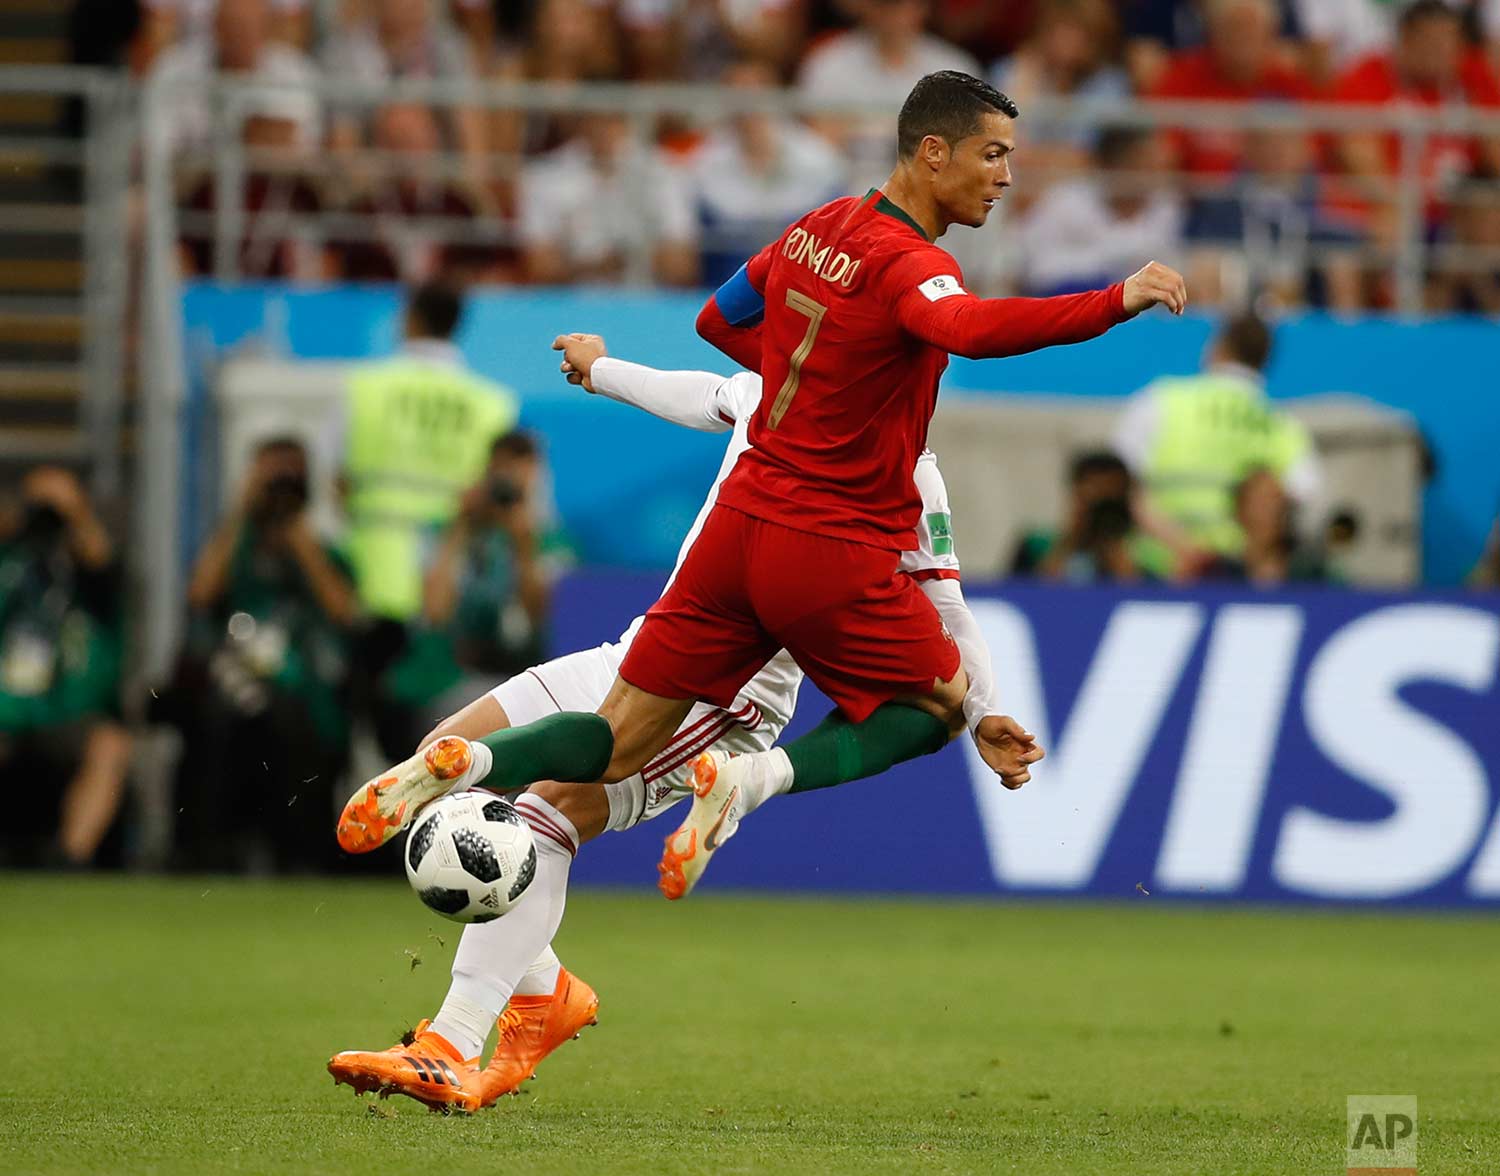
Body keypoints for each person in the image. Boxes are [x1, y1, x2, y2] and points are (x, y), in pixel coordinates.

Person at [333, 72, 1184, 889]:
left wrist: (805, 385)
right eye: (992, 154)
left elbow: (718, 318)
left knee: (616, 738)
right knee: (938, 710)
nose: (1006, 176)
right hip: (826, 544)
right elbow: (966, 328)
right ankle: (749, 783)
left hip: (735, 530)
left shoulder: (818, 226)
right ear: (933, 152)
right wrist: (1117, 298)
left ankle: (472, 762)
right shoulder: (912, 265)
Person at [327, 339, 999, 1112]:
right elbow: (703, 394)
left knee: (547, 813)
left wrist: (985, 711)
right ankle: (544, 993)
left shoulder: (908, 469)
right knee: (442, 750)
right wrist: (601, 371)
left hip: (723, 699)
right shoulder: (774, 391)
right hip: (642, 651)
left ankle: (451, 1040)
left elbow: (945, 603)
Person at [334, 281, 519, 758]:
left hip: (371, 578)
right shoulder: (491, 404)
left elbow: (337, 483)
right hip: (454, 588)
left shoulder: (365, 389)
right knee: (437, 742)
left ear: (410, 318)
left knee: (363, 735)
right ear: (457, 324)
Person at [161, 437, 356, 872]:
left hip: (301, 686)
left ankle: (299, 856)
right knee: (217, 719)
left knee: (298, 724)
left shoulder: (322, 549)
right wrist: (243, 509)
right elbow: (200, 592)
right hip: (233, 681)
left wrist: (298, 535)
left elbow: (343, 610)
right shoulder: (235, 544)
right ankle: (210, 852)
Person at [381, 429, 572, 734]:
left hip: (518, 673)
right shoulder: (450, 531)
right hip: (449, 676)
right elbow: (434, 613)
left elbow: (543, 618)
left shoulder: (551, 542)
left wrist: (522, 543)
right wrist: (460, 526)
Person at [1112, 310, 1322, 563]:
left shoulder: (1162, 400)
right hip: (1240, 576)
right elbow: (1304, 497)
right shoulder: (1283, 426)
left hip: (1156, 572)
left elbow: (1115, 484)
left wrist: (1183, 549)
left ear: (1217, 347)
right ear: (1265, 359)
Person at [0, 468, 129, 868]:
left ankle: (70, 858)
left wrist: (73, 512)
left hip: (69, 710)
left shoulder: (86, 568)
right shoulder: (11, 562)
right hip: (8, 705)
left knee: (111, 744)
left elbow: (102, 562)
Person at [690, 59, 848, 287]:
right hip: (729, 277)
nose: (748, 105)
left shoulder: (818, 158)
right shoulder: (705, 161)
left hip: (804, 282)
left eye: (755, 92)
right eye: (738, 94)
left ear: (775, 95)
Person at [798, 0, 980, 187]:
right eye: (884, 4)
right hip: (847, 188)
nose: (894, 15)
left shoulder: (956, 67)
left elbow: (963, 146)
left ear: (922, 7)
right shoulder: (828, 64)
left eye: (902, 4)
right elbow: (819, 145)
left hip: (928, 190)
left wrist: (862, 130)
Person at [517, 113, 700, 287]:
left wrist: (632, 256)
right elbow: (540, 269)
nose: (603, 130)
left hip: (644, 302)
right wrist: (598, 266)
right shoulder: (546, 175)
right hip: (573, 303)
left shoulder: (663, 170)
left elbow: (682, 268)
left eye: (613, 118)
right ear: (581, 120)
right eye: (596, 118)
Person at [1012, 125, 1184, 297]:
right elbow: (1038, 269)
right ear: (1113, 165)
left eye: (1153, 165)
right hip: (1066, 301)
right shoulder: (1066, 201)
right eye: (1140, 164)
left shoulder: (1166, 206)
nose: (1149, 174)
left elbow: (1169, 267)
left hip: (1139, 311)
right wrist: (1112, 262)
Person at [1010, 451, 1168, 582]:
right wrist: (1072, 540)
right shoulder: (1036, 546)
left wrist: (1113, 548)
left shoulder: (1144, 557)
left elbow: (1138, 603)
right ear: (1074, 494)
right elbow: (1025, 595)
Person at [1201, 467, 1331, 583]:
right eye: (1260, 503)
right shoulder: (1218, 574)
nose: (1271, 512)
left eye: (1277, 501)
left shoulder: (1312, 572)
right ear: (1239, 511)